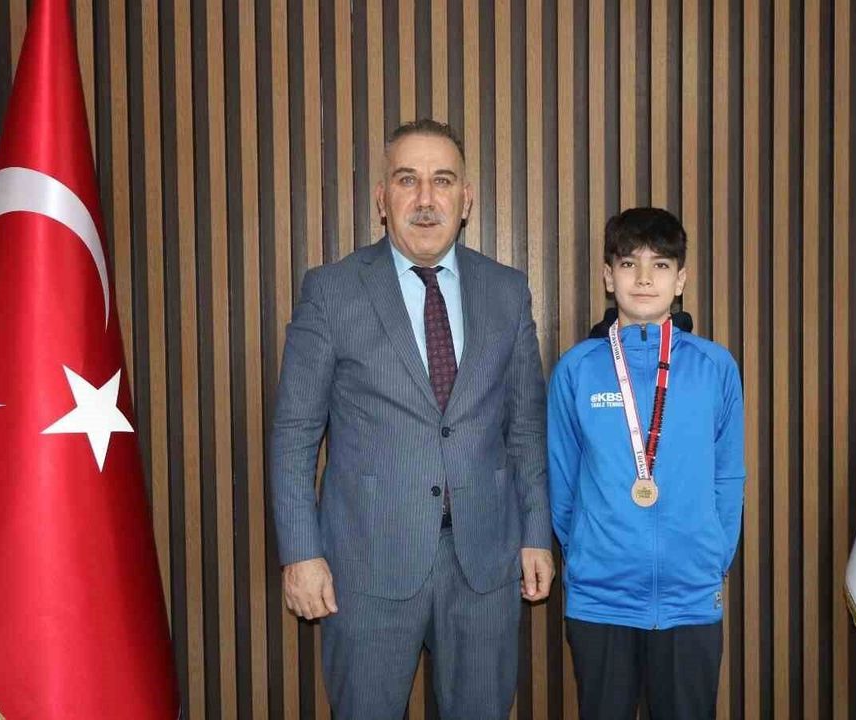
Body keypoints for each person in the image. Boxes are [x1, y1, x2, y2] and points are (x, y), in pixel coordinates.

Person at [271, 118, 554, 719]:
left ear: (465, 199)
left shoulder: (508, 291)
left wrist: (536, 532)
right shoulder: (332, 291)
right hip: (366, 568)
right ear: (383, 198)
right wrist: (300, 552)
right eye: (408, 180)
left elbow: (527, 430)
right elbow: (295, 435)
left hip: (486, 565)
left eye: (442, 181)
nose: (426, 199)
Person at [547, 207, 746, 719]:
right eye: (628, 263)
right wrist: (589, 552)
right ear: (607, 276)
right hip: (601, 598)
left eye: (660, 265)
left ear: (680, 280)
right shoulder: (576, 370)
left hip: (689, 597)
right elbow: (562, 482)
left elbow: (728, 475)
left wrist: (710, 556)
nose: (643, 278)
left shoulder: (715, 367)